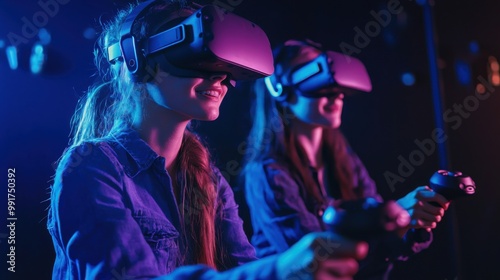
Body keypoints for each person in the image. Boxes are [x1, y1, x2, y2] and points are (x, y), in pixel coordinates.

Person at [46, 1, 369, 279]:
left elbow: (243, 265)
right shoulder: (91, 168)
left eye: (225, 66)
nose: (220, 77)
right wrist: (281, 269)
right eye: (197, 58)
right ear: (136, 60)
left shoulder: (207, 177)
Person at [241, 39, 451, 279]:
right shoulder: (267, 172)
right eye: (316, 79)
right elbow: (313, 261)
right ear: (280, 90)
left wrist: (407, 224)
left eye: (334, 80)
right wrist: (390, 219)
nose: (335, 93)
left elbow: (383, 240)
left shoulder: (341, 156)